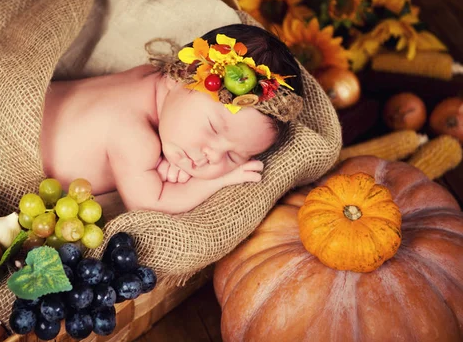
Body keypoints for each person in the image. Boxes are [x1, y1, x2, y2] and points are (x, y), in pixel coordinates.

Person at [40, 24, 304, 214]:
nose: (212, 155)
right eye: (212, 128)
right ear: (180, 75)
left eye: (232, 157)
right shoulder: (135, 137)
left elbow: (175, 118)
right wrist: (215, 180)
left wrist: (167, 161)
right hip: (19, 145)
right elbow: (149, 202)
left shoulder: (152, 79)